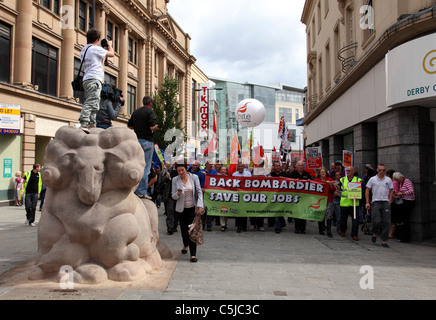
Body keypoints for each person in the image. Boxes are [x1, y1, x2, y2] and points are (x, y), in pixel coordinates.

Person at [78, 28, 114, 132]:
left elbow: (100, 61)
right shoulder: (94, 49)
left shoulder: (84, 50)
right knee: (91, 101)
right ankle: (84, 123)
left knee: (95, 103)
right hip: (94, 79)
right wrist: (110, 45)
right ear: (97, 39)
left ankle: (92, 124)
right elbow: (111, 54)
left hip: (87, 79)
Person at [172, 161, 204, 263]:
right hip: (181, 209)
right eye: (178, 171)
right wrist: (178, 194)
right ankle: (185, 244)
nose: (181, 172)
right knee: (183, 229)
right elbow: (173, 196)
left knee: (192, 230)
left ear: (186, 169)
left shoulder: (194, 178)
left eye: (182, 170)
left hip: (192, 208)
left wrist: (200, 205)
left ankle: (193, 254)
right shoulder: (175, 180)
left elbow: (199, 192)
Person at [128, 96, 158, 199]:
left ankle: (134, 189)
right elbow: (152, 127)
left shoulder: (136, 112)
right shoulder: (150, 112)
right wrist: (156, 127)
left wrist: (138, 127)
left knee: (136, 165)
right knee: (145, 168)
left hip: (137, 141)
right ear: (150, 103)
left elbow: (129, 126)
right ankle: (141, 191)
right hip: (147, 141)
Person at [365, 164, 394, 248]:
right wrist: (367, 202)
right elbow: (367, 190)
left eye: (383, 170)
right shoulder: (373, 179)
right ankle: (374, 233)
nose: (382, 172)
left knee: (387, 221)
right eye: (380, 170)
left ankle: (384, 240)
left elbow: (391, 190)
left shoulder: (388, 180)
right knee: (376, 220)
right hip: (376, 202)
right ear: (377, 170)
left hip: (385, 202)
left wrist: (390, 200)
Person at [338, 166, 362, 241]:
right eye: (347, 170)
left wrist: (359, 198)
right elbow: (339, 189)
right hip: (344, 203)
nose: (347, 172)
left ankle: (355, 234)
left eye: (349, 170)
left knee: (355, 220)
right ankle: (343, 231)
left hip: (354, 203)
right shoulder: (342, 179)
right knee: (343, 219)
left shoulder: (358, 180)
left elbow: (362, 191)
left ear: (353, 172)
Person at [289, 160, 312, 234]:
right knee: (297, 213)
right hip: (296, 197)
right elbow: (288, 183)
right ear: (297, 166)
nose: (300, 167)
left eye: (302, 165)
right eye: (299, 165)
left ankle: (303, 229)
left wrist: (309, 182)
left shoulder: (307, 174)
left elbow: (313, 183)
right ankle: (297, 228)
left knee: (303, 213)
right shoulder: (293, 174)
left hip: (305, 197)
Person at [392, 172, 415, 243]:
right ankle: (402, 235)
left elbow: (411, 191)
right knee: (402, 218)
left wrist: (402, 193)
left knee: (405, 219)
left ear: (401, 178)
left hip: (408, 201)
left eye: (398, 180)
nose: (398, 182)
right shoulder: (401, 183)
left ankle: (406, 237)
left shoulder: (407, 182)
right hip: (404, 200)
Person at [269, 160, 289, 233]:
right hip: (274, 196)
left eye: (279, 166)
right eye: (276, 166)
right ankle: (278, 227)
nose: (278, 167)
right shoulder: (271, 174)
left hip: (282, 196)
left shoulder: (285, 174)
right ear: (274, 167)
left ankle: (279, 224)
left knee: (279, 211)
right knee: (277, 211)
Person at [314, 167, 336, 237]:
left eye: (324, 172)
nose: (323, 173)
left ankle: (329, 230)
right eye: (321, 172)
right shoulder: (317, 180)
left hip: (328, 200)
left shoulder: (330, 180)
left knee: (329, 215)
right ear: (319, 174)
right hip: (320, 200)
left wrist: (330, 185)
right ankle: (321, 229)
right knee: (321, 214)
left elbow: (333, 190)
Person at [232, 161, 251, 233]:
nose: (240, 168)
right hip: (237, 194)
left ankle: (244, 226)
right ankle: (239, 226)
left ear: (244, 167)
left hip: (245, 194)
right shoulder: (234, 174)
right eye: (239, 166)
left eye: (241, 166)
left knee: (244, 210)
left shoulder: (248, 174)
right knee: (238, 210)